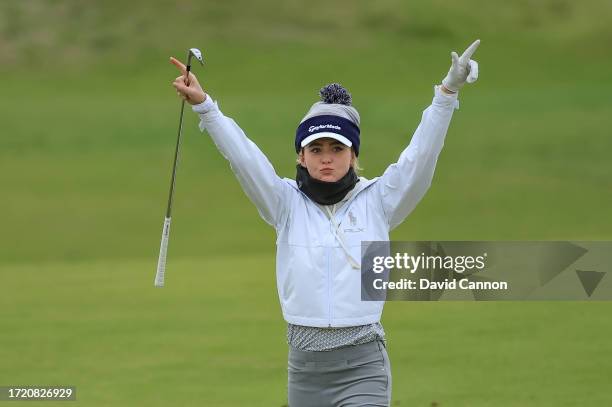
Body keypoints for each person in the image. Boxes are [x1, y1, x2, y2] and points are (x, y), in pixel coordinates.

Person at [170, 39, 480, 407]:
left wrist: (446, 94)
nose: (327, 159)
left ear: (353, 155)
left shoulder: (379, 200)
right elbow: (245, 158)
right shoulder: (284, 203)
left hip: (364, 365)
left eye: (337, 149)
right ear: (301, 157)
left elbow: (420, 158)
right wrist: (206, 108)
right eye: (316, 150)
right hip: (305, 372)